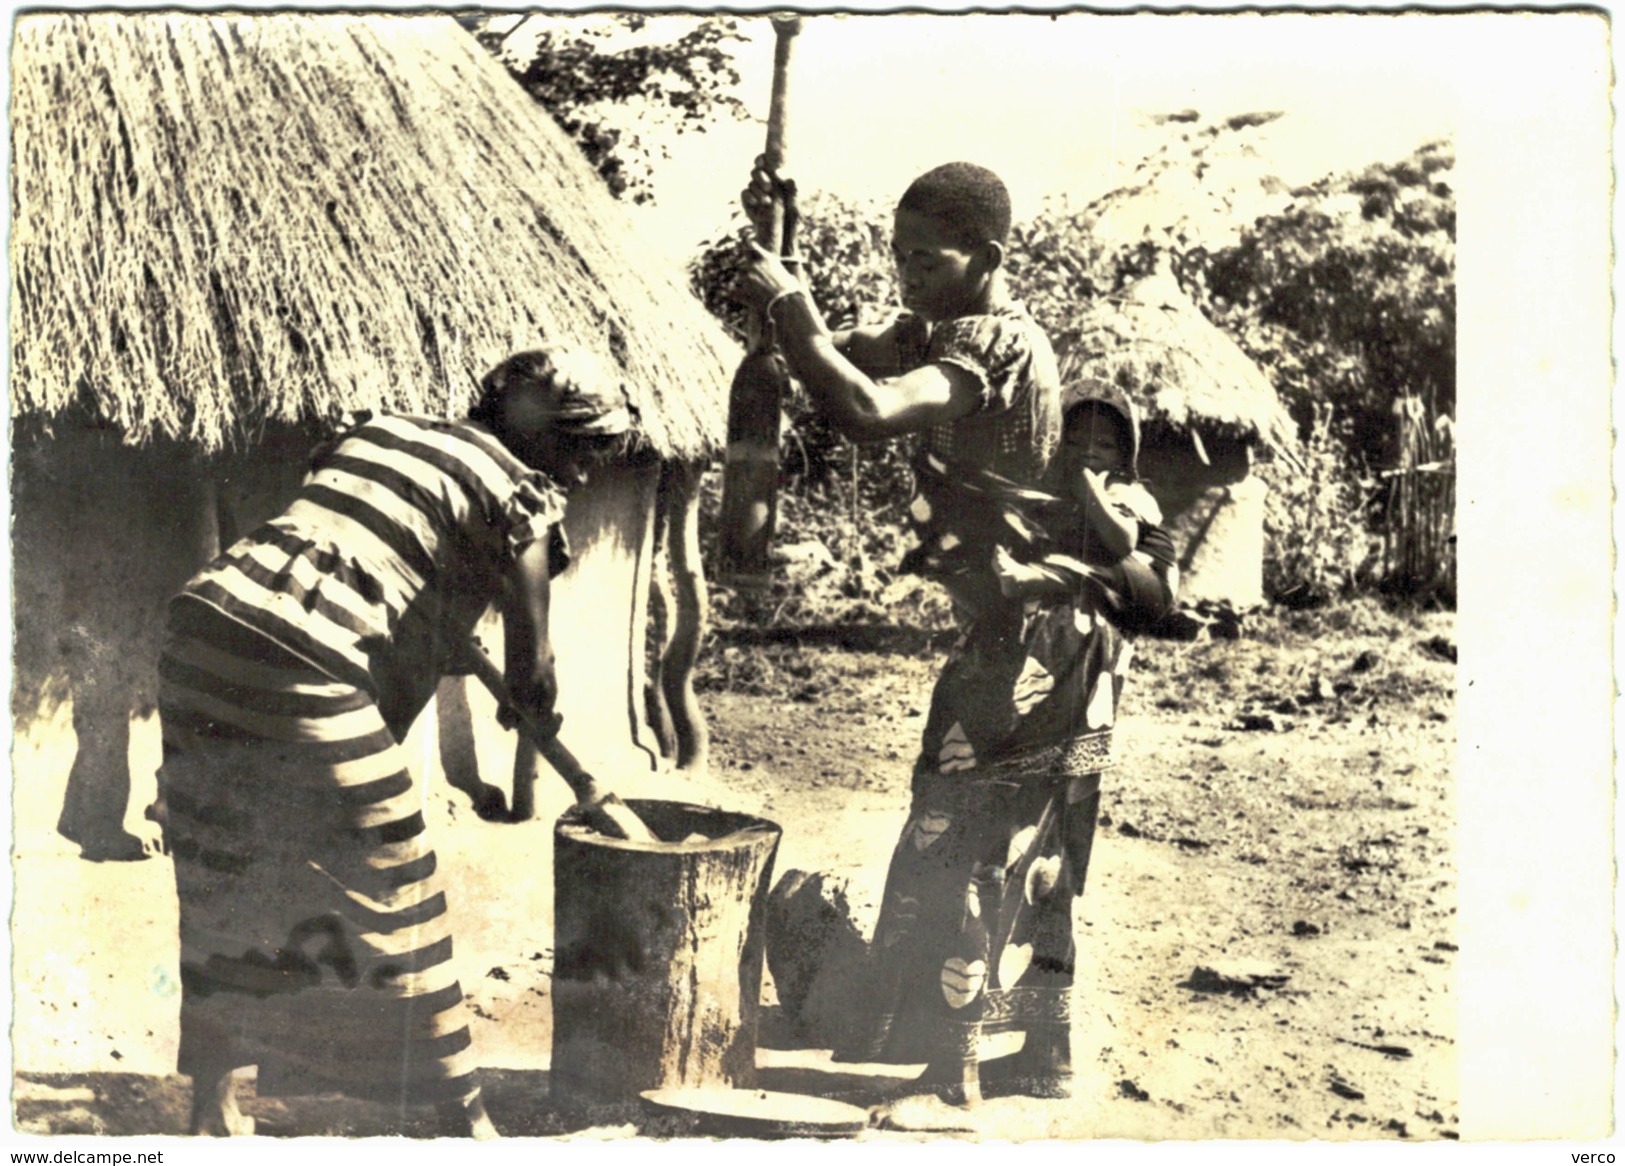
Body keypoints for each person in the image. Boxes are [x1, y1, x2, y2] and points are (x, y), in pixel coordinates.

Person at [735, 160, 1142, 1110]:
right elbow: (835, 354)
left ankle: (950, 1064)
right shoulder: (938, 327)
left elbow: (866, 409)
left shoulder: (992, 347)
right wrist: (781, 254)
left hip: (1036, 631)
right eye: (898, 257)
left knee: (964, 841)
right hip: (1048, 634)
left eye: (926, 259)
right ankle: (1041, 1055)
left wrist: (789, 301)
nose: (906, 274)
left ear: (986, 258)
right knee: (1017, 842)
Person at [152, 346, 635, 1137]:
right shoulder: (519, 494)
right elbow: (533, 667)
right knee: (399, 887)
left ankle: (213, 1109)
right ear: (548, 439)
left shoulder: (381, 431)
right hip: (306, 655)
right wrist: (532, 703)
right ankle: (463, 1122)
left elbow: (358, 562)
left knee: (227, 868)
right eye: (585, 451)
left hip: (205, 625)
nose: (585, 474)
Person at [992, 379, 1178, 634]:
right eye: (1075, 442)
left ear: (1123, 455)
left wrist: (1089, 489)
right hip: (1100, 592)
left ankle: (1037, 579)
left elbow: (1122, 543)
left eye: (1104, 445)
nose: (1088, 451)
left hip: (1147, 588)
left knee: (1095, 555)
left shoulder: (1123, 489)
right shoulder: (1059, 491)